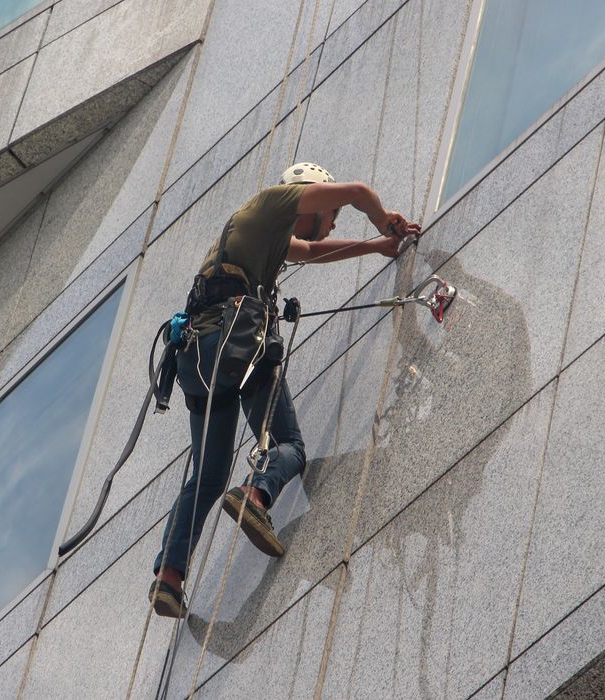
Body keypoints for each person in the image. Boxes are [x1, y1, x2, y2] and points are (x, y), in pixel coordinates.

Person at [148, 162, 421, 618]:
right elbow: (356, 192)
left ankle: (169, 578)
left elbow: (311, 250)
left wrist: (375, 247)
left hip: (197, 357)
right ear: (311, 197)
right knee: (290, 444)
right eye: (329, 212)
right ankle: (256, 495)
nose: (332, 221)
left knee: (208, 476)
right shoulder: (271, 203)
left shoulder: (259, 236)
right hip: (237, 343)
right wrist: (383, 219)